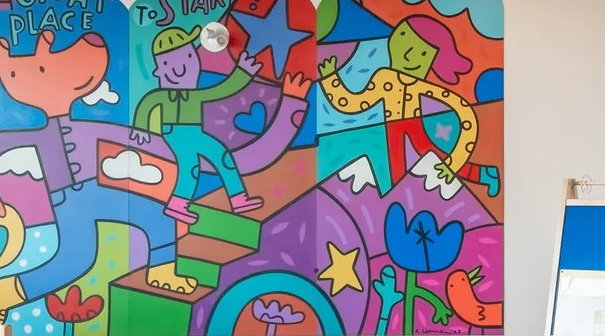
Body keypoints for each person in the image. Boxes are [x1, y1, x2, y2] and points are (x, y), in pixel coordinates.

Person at [0, 28, 198, 316]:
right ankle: (6, 291)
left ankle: (161, 271)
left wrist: (160, 142)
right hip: (70, 200)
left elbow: (126, 136)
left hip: (99, 189)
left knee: (156, 216)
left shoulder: (84, 127)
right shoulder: (40, 134)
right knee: (76, 260)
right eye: (44, 69)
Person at [133, 22, 306, 222]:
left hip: (195, 133)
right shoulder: (161, 96)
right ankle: (181, 204)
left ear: (196, 60)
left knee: (219, 157)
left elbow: (222, 90)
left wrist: (243, 73)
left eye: (188, 56)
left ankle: (236, 198)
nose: (179, 67)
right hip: (175, 133)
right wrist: (141, 128)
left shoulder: (197, 95)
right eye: (167, 63)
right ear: (158, 71)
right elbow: (147, 104)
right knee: (192, 166)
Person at [316, 14, 479, 190]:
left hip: (412, 127)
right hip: (392, 129)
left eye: (423, 53)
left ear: (432, 60)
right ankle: (482, 174)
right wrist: (331, 79)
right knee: (401, 165)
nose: (408, 55)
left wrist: (455, 162)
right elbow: (352, 104)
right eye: (403, 37)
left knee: (433, 157)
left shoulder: (422, 87)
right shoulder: (384, 77)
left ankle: (483, 174)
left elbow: (465, 114)